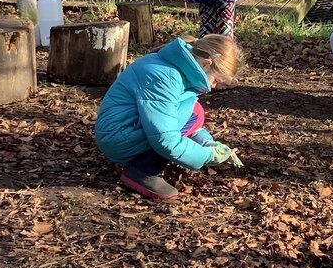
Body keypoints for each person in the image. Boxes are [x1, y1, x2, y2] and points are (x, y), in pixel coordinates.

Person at [95, 34, 244, 200]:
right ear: (206, 63)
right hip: (118, 138)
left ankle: (134, 161)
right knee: (193, 113)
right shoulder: (165, 77)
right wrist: (206, 156)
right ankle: (142, 170)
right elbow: (164, 137)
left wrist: (208, 143)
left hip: (123, 131)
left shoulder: (174, 67)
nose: (212, 87)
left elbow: (185, 118)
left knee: (195, 111)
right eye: (215, 80)